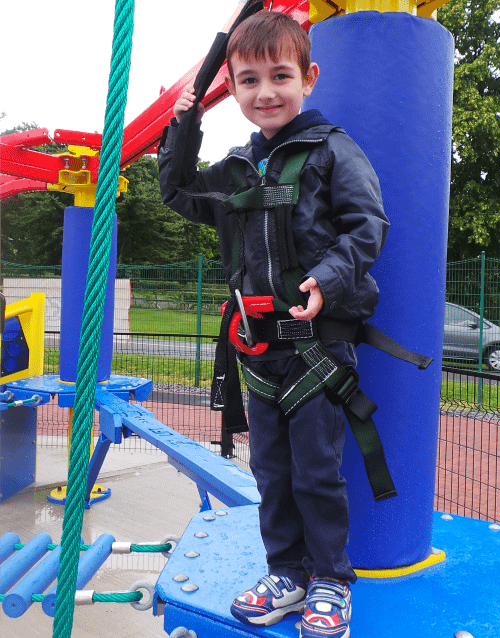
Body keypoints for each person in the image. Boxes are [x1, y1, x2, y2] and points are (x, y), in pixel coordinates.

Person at [158, 11, 389, 638]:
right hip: (257, 352)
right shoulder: (235, 170)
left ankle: (331, 581)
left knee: (316, 469)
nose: (266, 92)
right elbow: (177, 193)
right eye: (250, 80)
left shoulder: (333, 150)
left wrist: (330, 279)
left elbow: (368, 227)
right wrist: (184, 124)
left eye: (280, 76)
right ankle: (286, 572)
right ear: (232, 89)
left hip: (318, 348)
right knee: (271, 470)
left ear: (307, 78)